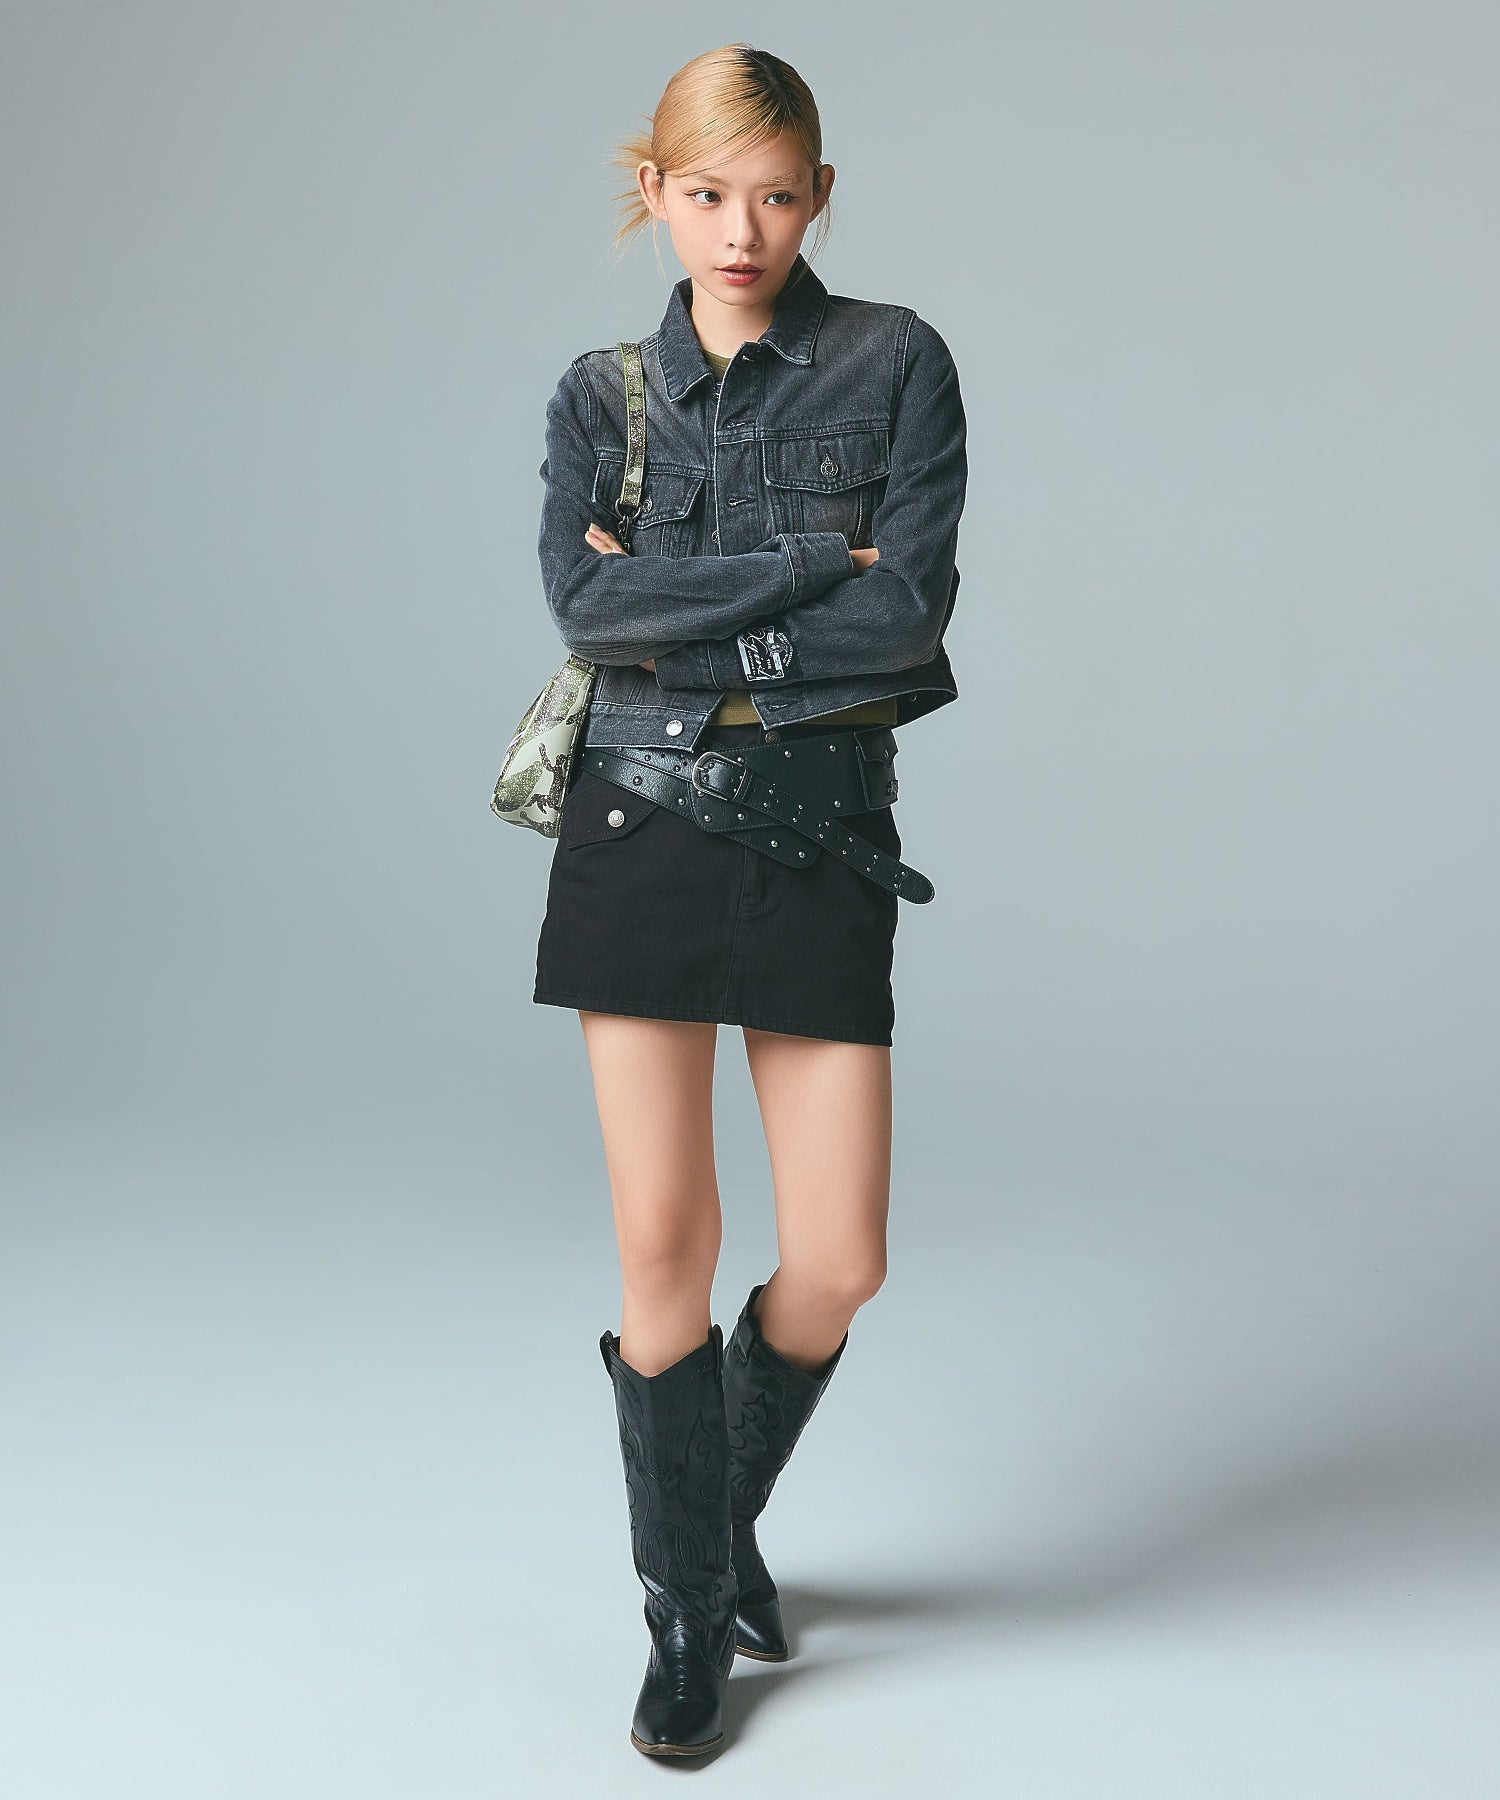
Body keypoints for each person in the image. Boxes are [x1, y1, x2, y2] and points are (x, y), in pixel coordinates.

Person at [529, 43, 967, 1758]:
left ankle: (707, 1520)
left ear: (819, 197)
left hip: (821, 829)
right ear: (655, 190)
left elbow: (907, 617)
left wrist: (686, 606)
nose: (740, 230)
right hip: (635, 820)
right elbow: (586, 615)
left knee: (840, 1257)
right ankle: (688, 1609)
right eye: (707, 193)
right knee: (665, 1244)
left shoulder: (895, 360)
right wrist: (801, 572)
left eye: (775, 196)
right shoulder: (599, 396)